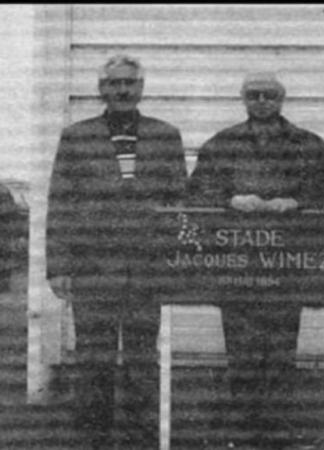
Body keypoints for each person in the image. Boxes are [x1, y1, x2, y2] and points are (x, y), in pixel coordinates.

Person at [187, 72, 324, 447]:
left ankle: (277, 431)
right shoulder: (221, 144)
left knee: (280, 350)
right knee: (240, 351)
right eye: (254, 95)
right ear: (243, 99)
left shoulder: (309, 145)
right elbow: (195, 193)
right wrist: (229, 200)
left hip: (288, 266)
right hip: (236, 265)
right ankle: (243, 432)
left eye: (270, 95)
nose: (262, 101)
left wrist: (297, 202)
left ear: (282, 99)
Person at [46, 54, 188, 449]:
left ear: (141, 88)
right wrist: (58, 266)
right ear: (101, 90)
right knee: (94, 358)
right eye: (114, 84)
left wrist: (174, 258)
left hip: (147, 267)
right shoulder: (76, 137)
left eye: (129, 83)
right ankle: (94, 439)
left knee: (144, 359)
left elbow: (180, 201)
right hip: (94, 267)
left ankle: (143, 438)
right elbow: (61, 203)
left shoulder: (165, 135)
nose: (122, 90)